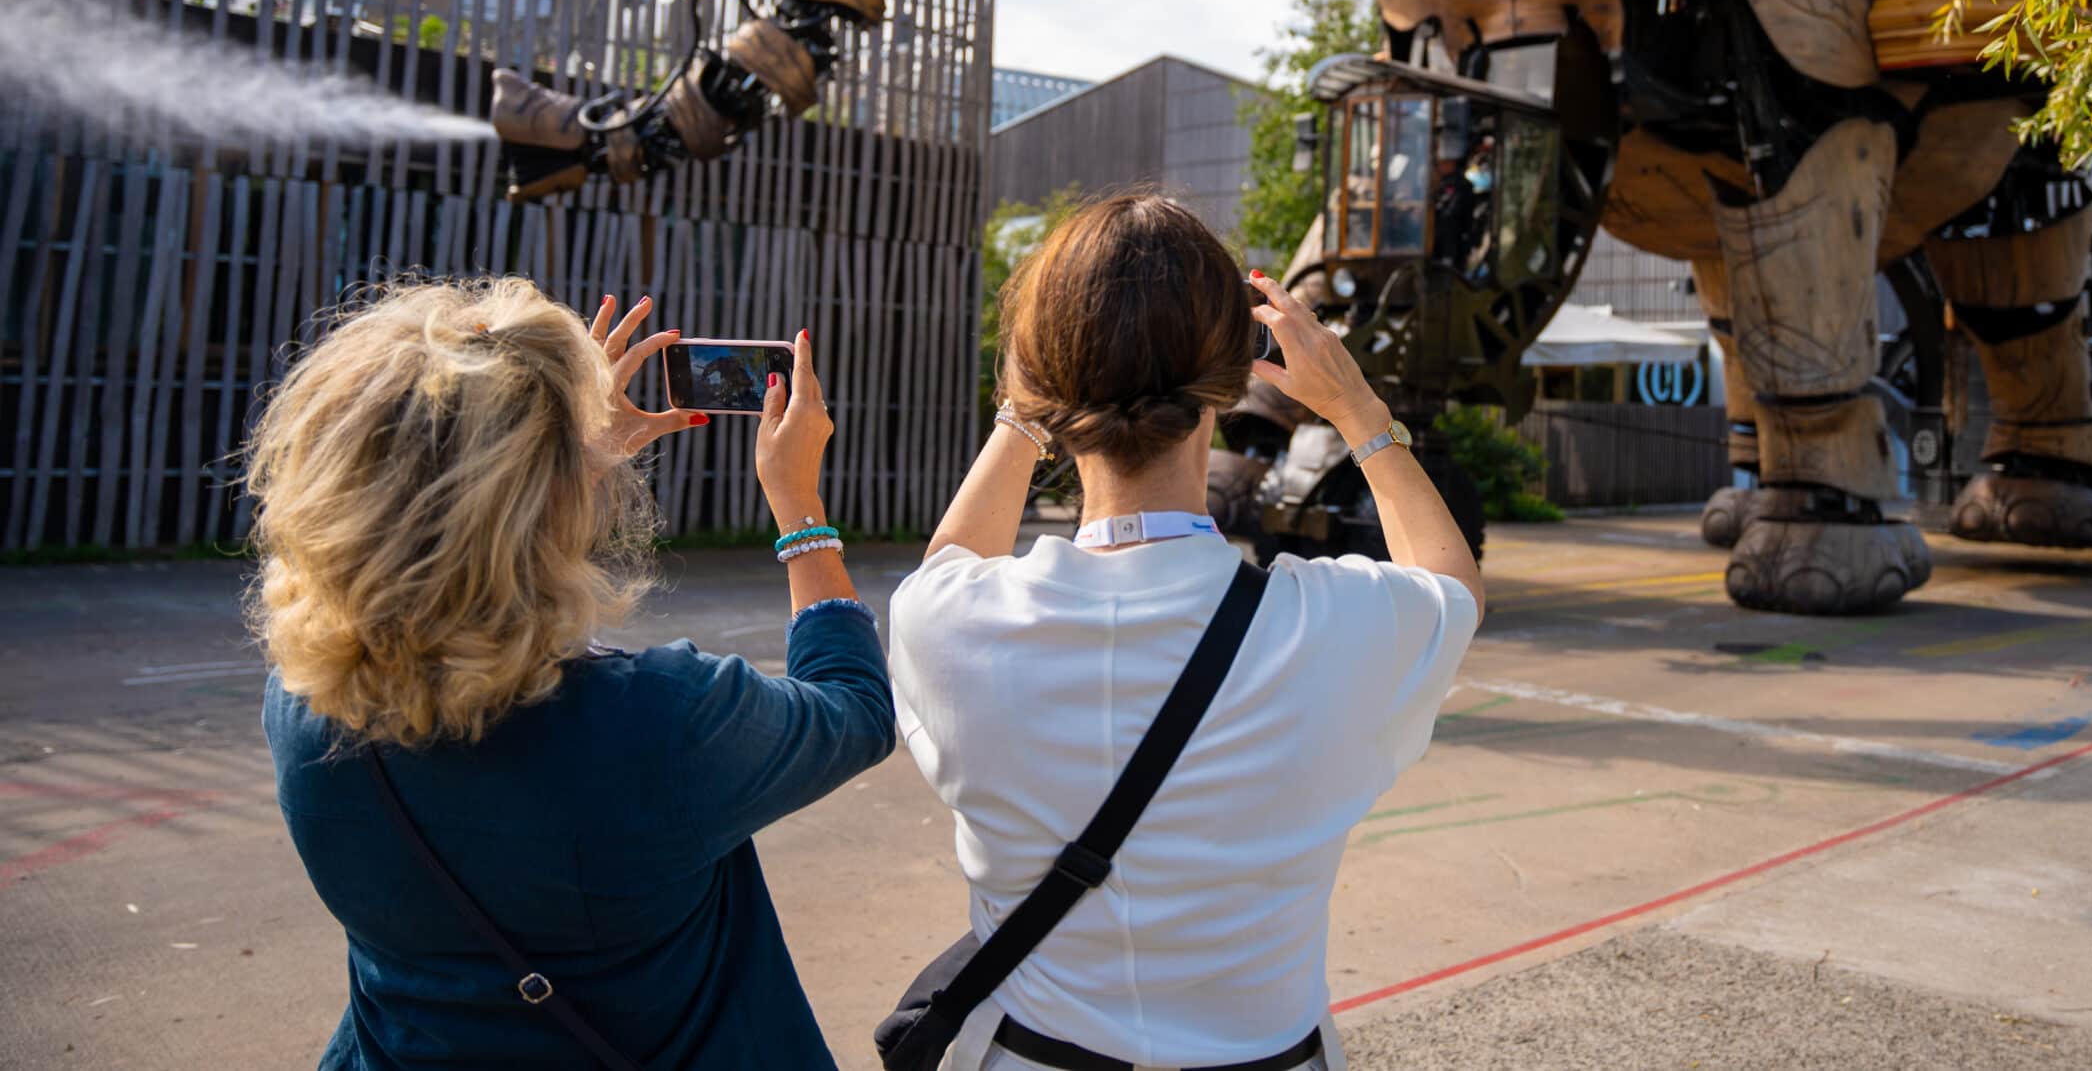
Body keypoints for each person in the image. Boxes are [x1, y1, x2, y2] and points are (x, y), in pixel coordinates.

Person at [889, 193, 1486, 1071]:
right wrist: (1358, 408)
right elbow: (1451, 583)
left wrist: (1022, 416)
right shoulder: (1333, 627)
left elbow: (947, 564)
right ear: (1235, 375)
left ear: (1039, 376)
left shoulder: (950, 625)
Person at [252, 278, 893, 1070]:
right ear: (541, 498)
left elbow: (462, 591)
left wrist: (567, 467)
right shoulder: (660, 722)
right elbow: (856, 707)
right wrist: (799, 505)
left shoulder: (301, 707)